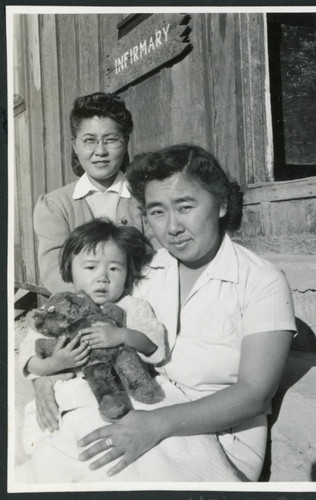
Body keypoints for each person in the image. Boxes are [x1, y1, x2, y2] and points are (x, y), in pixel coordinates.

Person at [32, 144, 296, 482]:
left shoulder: (260, 281)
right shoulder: (150, 270)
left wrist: (156, 424)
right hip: (143, 404)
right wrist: (45, 377)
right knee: (58, 459)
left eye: (185, 207)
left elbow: (254, 395)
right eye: (157, 212)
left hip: (217, 433)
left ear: (221, 204)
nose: (172, 227)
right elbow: (87, 323)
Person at [18, 219, 167, 474]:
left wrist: (121, 335)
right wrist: (54, 364)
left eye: (114, 269)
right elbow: (28, 353)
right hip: (70, 391)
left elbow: (154, 346)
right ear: (69, 272)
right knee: (53, 440)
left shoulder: (132, 306)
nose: (102, 278)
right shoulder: (58, 308)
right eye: (90, 267)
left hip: (121, 391)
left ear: (128, 273)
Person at [33, 92, 146, 295]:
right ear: (75, 145)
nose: (100, 151)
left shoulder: (145, 197)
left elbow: (159, 261)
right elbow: (55, 272)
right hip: (83, 313)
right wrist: (92, 308)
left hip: (142, 304)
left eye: (111, 140)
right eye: (89, 140)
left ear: (126, 142)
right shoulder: (55, 205)